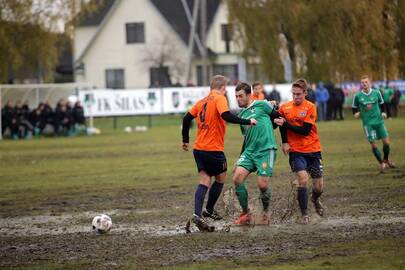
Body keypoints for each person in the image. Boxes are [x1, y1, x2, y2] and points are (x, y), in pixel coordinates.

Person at [181, 75, 257, 232]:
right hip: (213, 149)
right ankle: (208, 209)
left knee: (204, 180)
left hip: (199, 149)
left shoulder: (202, 101)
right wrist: (248, 121)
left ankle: (197, 214)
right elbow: (226, 116)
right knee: (221, 178)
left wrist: (185, 140)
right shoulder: (219, 98)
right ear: (223, 88)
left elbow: (186, 118)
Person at [274, 78, 325, 224]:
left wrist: (285, 123)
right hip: (296, 151)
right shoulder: (285, 108)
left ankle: (315, 200)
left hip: (313, 149)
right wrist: (284, 142)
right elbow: (280, 124)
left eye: (298, 94)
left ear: (305, 93)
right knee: (302, 179)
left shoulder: (310, 107)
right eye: (293, 94)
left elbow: (305, 130)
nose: (296, 97)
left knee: (319, 186)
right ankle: (304, 215)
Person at [232, 82, 279, 225]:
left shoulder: (262, 105)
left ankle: (265, 213)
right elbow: (246, 139)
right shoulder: (241, 116)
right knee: (237, 178)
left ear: (249, 95)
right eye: (236, 97)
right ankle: (246, 214)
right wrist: (241, 157)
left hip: (266, 149)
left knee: (262, 185)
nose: (238, 99)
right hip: (250, 152)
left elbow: (277, 118)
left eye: (240, 96)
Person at [352, 75, 395, 172]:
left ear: (370, 83)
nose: (364, 84)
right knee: (373, 145)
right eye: (362, 82)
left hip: (379, 122)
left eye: (366, 82)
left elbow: (382, 104)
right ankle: (381, 163)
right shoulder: (358, 96)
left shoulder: (376, 92)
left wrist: (384, 112)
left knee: (387, 143)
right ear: (361, 84)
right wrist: (356, 114)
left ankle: (386, 159)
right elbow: (354, 108)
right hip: (368, 124)